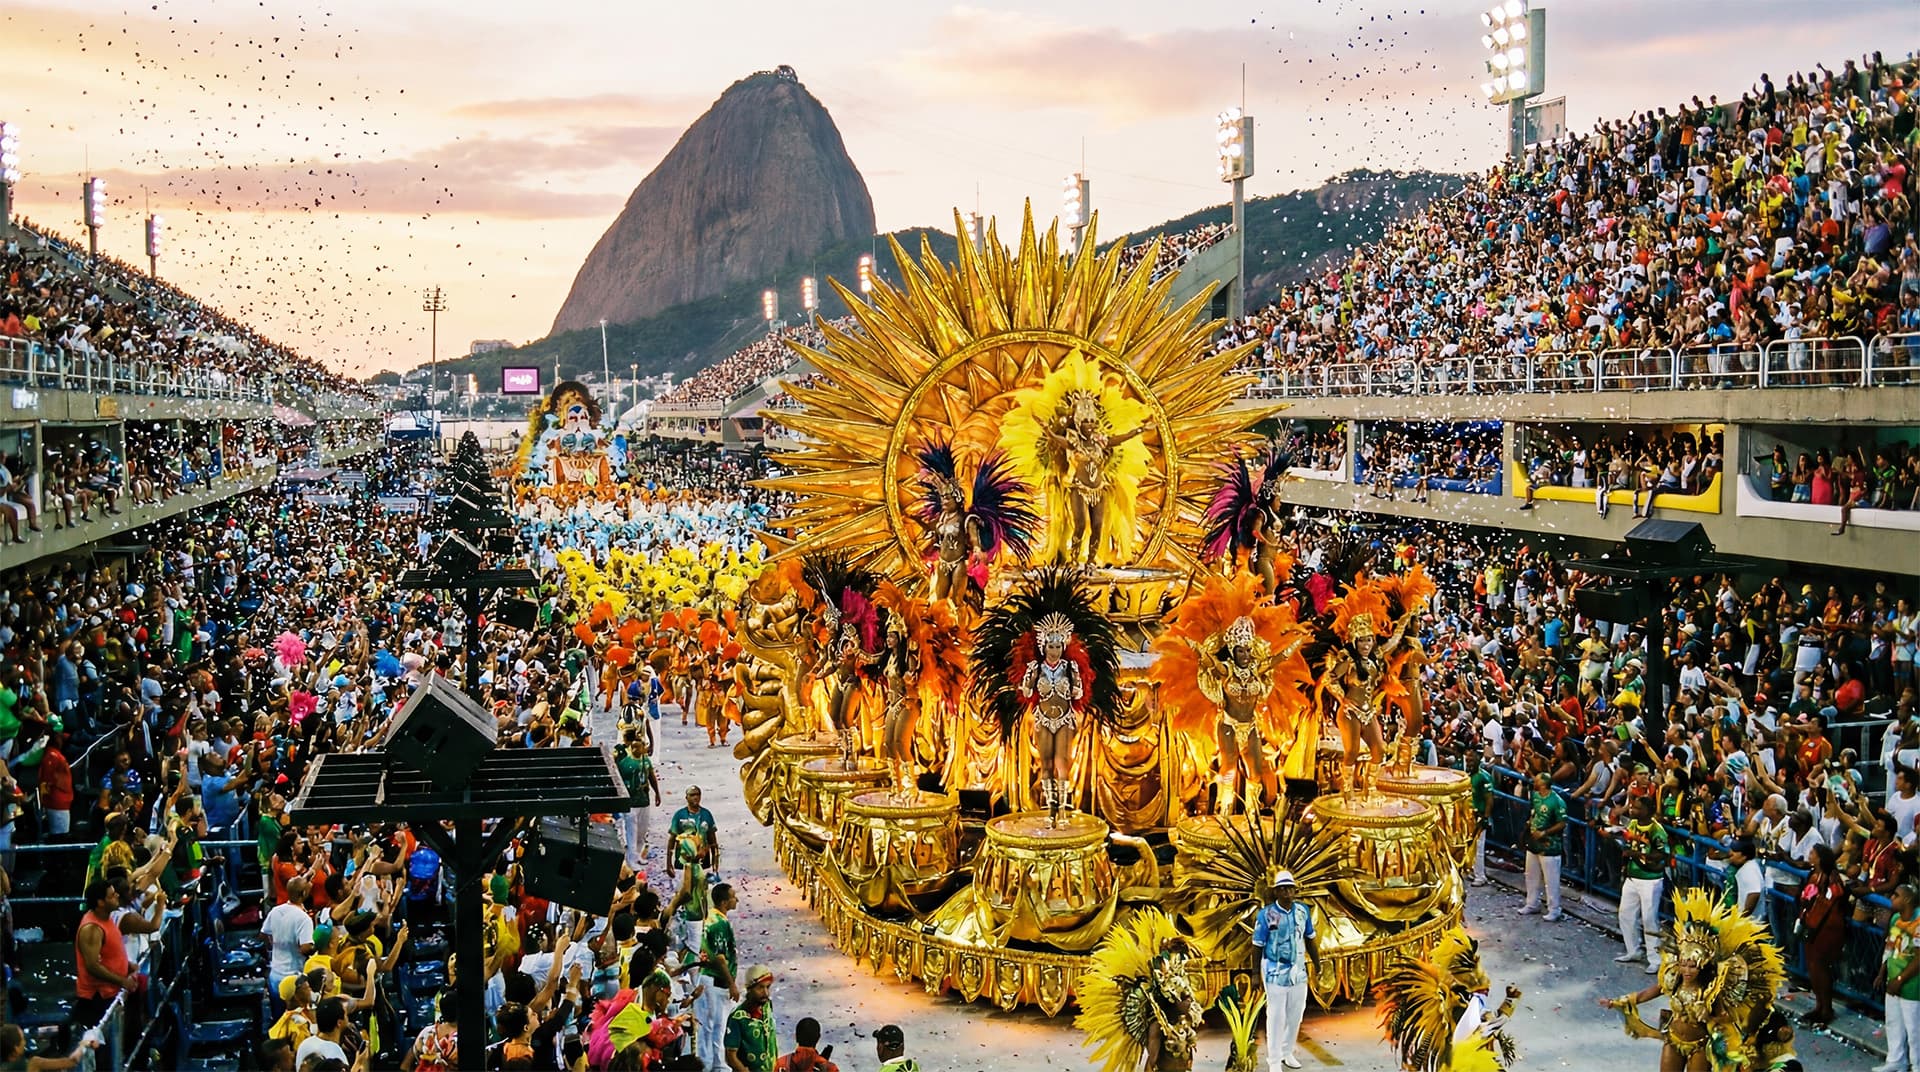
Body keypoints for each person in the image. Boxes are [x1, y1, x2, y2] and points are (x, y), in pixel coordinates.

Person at [1251, 870, 1315, 1071]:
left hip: (1298, 971)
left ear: (1295, 890)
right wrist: (1254, 974)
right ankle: (1274, 1060)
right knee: (1276, 1016)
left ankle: (1287, 1052)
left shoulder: (1303, 911)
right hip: (1274, 972)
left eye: (1290, 888)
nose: (1287, 892)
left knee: (1296, 1013)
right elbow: (1257, 945)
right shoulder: (1267, 914)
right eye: (1283, 889)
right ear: (1276, 892)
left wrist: (1317, 963)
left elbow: (1310, 939)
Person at [73, 879, 140, 1028]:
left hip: (112, 992)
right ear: (100, 903)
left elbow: (109, 953)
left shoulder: (107, 918)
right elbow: (92, 966)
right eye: (111, 895)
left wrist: (127, 966)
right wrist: (122, 981)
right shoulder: (92, 929)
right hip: (99, 997)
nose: (117, 896)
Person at [1614, 795, 1669, 973]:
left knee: (1649, 919)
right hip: (1632, 877)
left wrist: (1636, 855)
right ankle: (1633, 950)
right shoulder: (1633, 825)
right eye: (1632, 807)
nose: (1632, 810)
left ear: (1647, 811)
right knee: (1625, 914)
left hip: (1650, 880)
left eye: (1637, 808)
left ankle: (1655, 959)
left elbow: (1663, 855)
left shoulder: (1657, 830)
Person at [696, 884, 740, 1072]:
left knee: (710, 1026)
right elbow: (721, 959)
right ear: (724, 902)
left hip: (708, 979)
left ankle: (712, 1063)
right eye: (733, 896)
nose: (736, 899)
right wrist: (732, 985)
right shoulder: (720, 924)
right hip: (716, 981)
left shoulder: (711, 917)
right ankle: (716, 1065)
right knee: (717, 1026)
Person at [1878, 883, 1920, 1072]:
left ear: (1908, 899)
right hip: (1892, 978)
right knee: (1893, 1022)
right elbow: (1890, 946)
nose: (1891, 898)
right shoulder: (1895, 918)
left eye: (1896, 895)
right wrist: (1882, 972)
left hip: (1911, 984)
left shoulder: (1918, 922)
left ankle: (1916, 1065)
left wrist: (1901, 979)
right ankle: (1896, 1061)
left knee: (1914, 1028)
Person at [1518, 772, 1566, 922]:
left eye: (1537, 780)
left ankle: (1554, 909)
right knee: (1530, 874)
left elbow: (1562, 823)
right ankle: (1532, 903)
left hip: (1550, 845)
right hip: (1533, 842)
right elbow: (1534, 813)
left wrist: (1545, 832)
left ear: (1544, 784)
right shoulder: (1536, 796)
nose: (1534, 782)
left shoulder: (1557, 801)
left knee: (1551, 879)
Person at [266, 876, 317, 1003]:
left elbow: (264, 934)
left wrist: (278, 944)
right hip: (293, 979)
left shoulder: (275, 911)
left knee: (278, 1019)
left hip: (274, 974)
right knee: (295, 1019)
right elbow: (305, 948)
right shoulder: (303, 918)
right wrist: (317, 946)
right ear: (304, 893)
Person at [724, 964, 778, 1072]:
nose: (766, 993)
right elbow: (731, 1057)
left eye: (768, 987)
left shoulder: (766, 1005)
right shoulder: (737, 1019)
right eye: (760, 988)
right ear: (749, 989)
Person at [0, 1024, 94, 1072]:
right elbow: (72, 1061)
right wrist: (84, 1044)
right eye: (22, 1039)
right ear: (16, 1049)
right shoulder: (33, 1064)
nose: (25, 1042)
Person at [670, 786, 719, 872]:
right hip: (682, 865)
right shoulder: (679, 815)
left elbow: (713, 841)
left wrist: (715, 863)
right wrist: (668, 863)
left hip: (703, 864)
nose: (695, 797)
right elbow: (672, 840)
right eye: (692, 795)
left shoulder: (706, 814)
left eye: (698, 794)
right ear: (686, 797)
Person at [1467, 751, 1492, 887]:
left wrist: (1485, 817)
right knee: (1471, 846)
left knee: (1479, 847)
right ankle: (1473, 870)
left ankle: (1480, 876)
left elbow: (1489, 799)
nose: (1469, 761)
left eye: (1471, 758)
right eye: (1468, 758)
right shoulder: (1469, 775)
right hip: (1469, 815)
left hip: (1480, 815)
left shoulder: (1484, 777)